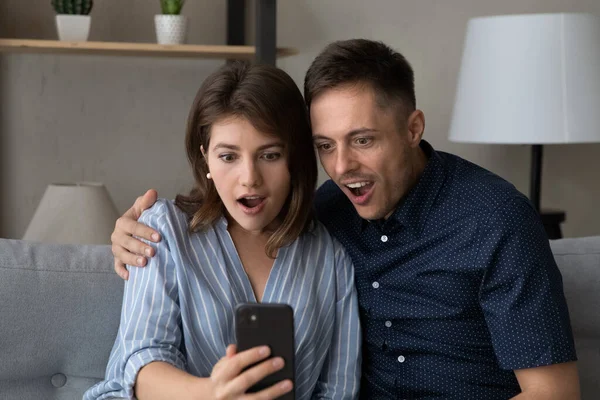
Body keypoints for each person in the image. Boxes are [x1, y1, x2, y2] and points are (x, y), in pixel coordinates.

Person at [110, 39, 580, 399]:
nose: (341, 167)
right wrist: (125, 233)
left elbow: (553, 393)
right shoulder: (326, 213)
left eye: (363, 140)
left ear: (413, 128)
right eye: (325, 146)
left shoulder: (494, 220)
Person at [85, 61, 361, 400]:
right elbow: (141, 361)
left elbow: (338, 390)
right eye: (229, 157)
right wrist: (211, 393)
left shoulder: (330, 258)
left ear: (295, 160)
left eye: (270, 155)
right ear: (206, 161)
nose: (250, 178)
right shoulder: (164, 231)